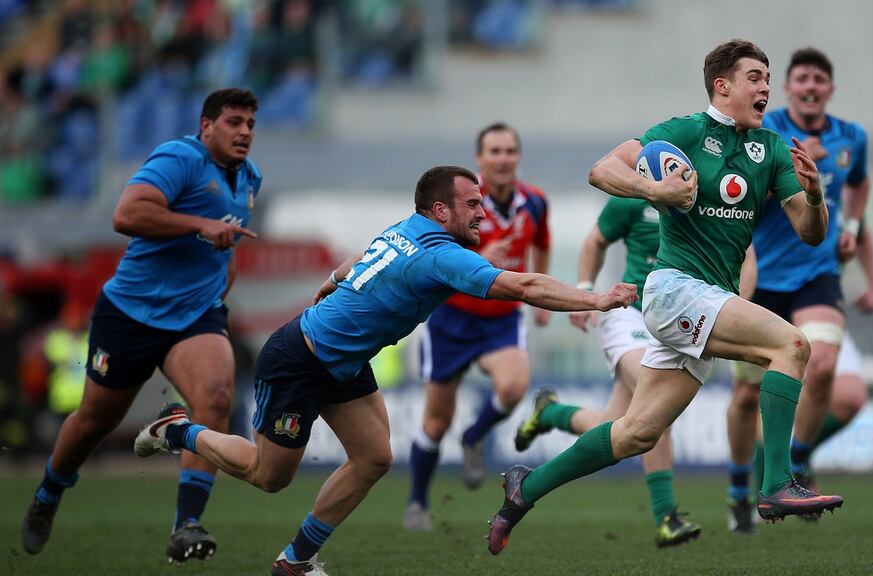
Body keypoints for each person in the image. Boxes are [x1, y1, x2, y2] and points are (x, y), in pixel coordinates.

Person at [133, 166, 636, 576]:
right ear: (440, 210)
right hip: (299, 362)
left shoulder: (407, 229)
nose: (483, 212)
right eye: (472, 204)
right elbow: (523, 285)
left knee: (373, 458)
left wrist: (331, 282)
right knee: (269, 477)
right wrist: (595, 297)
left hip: (341, 363)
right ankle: (179, 431)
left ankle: (295, 561)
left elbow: (359, 261)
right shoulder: (442, 256)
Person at [487, 39, 846, 555]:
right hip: (674, 291)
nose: (766, 86)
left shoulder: (770, 148)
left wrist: (814, 195)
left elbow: (811, 233)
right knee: (791, 346)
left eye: (768, 77)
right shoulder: (683, 132)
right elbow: (601, 169)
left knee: (636, 433)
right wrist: (652, 190)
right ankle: (774, 486)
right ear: (722, 86)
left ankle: (525, 488)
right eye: (754, 77)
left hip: (701, 301)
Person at [20, 88, 261, 563]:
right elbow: (125, 214)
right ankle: (48, 493)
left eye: (251, 123)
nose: (245, 132)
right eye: (234, 122)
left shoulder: (248, 179)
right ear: (206, 125)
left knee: (215, 397)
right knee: (94, 420)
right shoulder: (180, 157)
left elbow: (223, 242)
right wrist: (198, 224)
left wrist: (220, 278)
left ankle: (186, 524)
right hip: (131, 312)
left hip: (195, 314)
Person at [725, 47, 870, 532]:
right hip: (760, 277)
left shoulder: (853, 138)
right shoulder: (765, 133)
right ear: (788, 88)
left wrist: (851, 223)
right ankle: (737, 489)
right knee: (746, 398)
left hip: (817, 273)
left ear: (830, 88)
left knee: (824, 361)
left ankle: (796, 464)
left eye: (819, 80)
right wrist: (798, 164)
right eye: (801, 79)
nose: (810, 87)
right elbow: (743, 191)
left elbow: (859, 184)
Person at [512, 196, 700, 547]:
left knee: (616, 429)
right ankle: (666, 517)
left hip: (676, 325)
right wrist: (584, 291)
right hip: (631, 317)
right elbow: (595, 241)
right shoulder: (634, 195)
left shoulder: (704, 190)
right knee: (657, 401)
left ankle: (550, 412)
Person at [404, 123, 551, 531]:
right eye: (495, 151)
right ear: (479, 158)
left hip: (500, 318)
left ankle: (474, 437)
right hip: (451, 318)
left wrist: (540, 290)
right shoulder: (459, 204)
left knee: (514, 385)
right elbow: (436, 254)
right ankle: (417, 500)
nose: (503, 158)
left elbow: (542, 241)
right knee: (435, 422)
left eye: (510, 151)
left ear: (518, 157)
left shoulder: (535, 202)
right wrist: (482, 256)